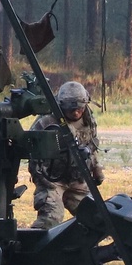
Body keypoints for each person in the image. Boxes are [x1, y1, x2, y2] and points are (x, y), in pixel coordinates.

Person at [27, 81, 104, 229]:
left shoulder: (88, 120)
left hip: (78, 178)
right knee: (51, 218)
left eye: (79, 109)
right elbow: (33, 157)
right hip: (51, 179)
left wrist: (97, 168)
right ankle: (38, 248)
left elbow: (91, 147)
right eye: (71, 110)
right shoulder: (46, 122)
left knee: (96, 218)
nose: (76, 113)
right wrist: (43, 180)